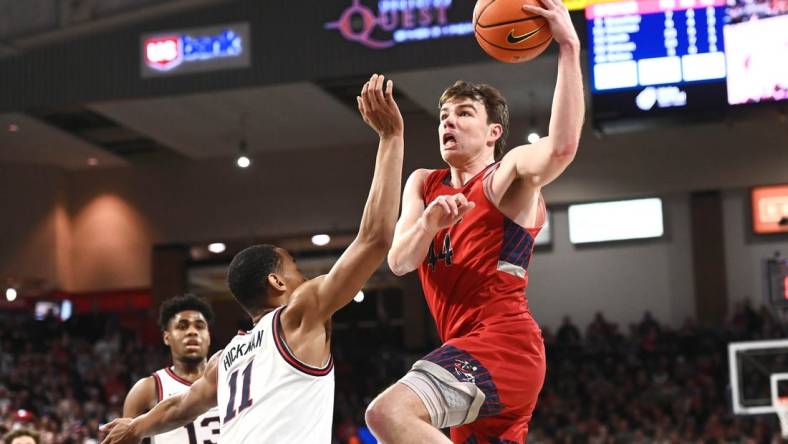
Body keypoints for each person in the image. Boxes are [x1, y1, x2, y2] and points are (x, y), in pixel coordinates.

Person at [100, 73, 404, 444]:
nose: (304, 278)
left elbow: (178, 409)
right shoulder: (299, 315)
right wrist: (391, 139)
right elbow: (375, 238)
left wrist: (135, 427)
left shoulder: (225, 360)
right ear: (276, 282)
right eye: (295, 268)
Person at [364, 0, 584, 442]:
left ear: (493, 133)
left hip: (504, 344)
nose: (449, 121)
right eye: (444, 115)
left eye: (464, 113)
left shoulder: (505, 178)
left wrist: (568, 48)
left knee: (387, 415)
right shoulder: (425, 184)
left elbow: (559, 150)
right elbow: (400, 262)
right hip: (462, 350)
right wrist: (429, 224)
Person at [121, 294, 219, 444]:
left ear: (209, 336)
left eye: (199, 326)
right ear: (166, 337)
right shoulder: (147, 389)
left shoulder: (230, 376)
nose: (192, 332)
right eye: (182, 326)